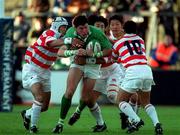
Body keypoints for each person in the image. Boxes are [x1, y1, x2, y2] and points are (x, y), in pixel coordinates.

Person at [20, 17, 84, 133]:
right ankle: (33, 127)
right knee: (39, 98)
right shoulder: (49, 33)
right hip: (32, 68)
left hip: (45, 71)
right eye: (63, 27)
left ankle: (27, 114)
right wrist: (69, 41)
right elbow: (52, 43)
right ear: (57, 26)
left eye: (65, 27)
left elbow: (62, 50)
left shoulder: (62, 38)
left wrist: (76, 50)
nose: (65, 29)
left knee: (44, 107)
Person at [52, 15, 112, 134]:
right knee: (69, 92)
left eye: (85, 27)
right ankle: (60, 123)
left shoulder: (96, 33)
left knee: (85, 98)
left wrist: (94, 54)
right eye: (81, 29)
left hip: (93, 66)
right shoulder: (70, 33)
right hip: (78, 64)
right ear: (75, 28)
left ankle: (80, 113)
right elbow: (60, 52)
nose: (84, 31)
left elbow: (108, 50)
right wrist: (75, 51)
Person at [112, 20, 163, 135]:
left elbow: (114, 58)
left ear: (123, 30)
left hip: (133, 71)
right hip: (146, 69)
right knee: (146, 102)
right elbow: (136, 54)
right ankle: (157, 124)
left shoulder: (119, 42)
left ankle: (136, 120)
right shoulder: (141, 40)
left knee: (120, 101)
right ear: (136, 30)